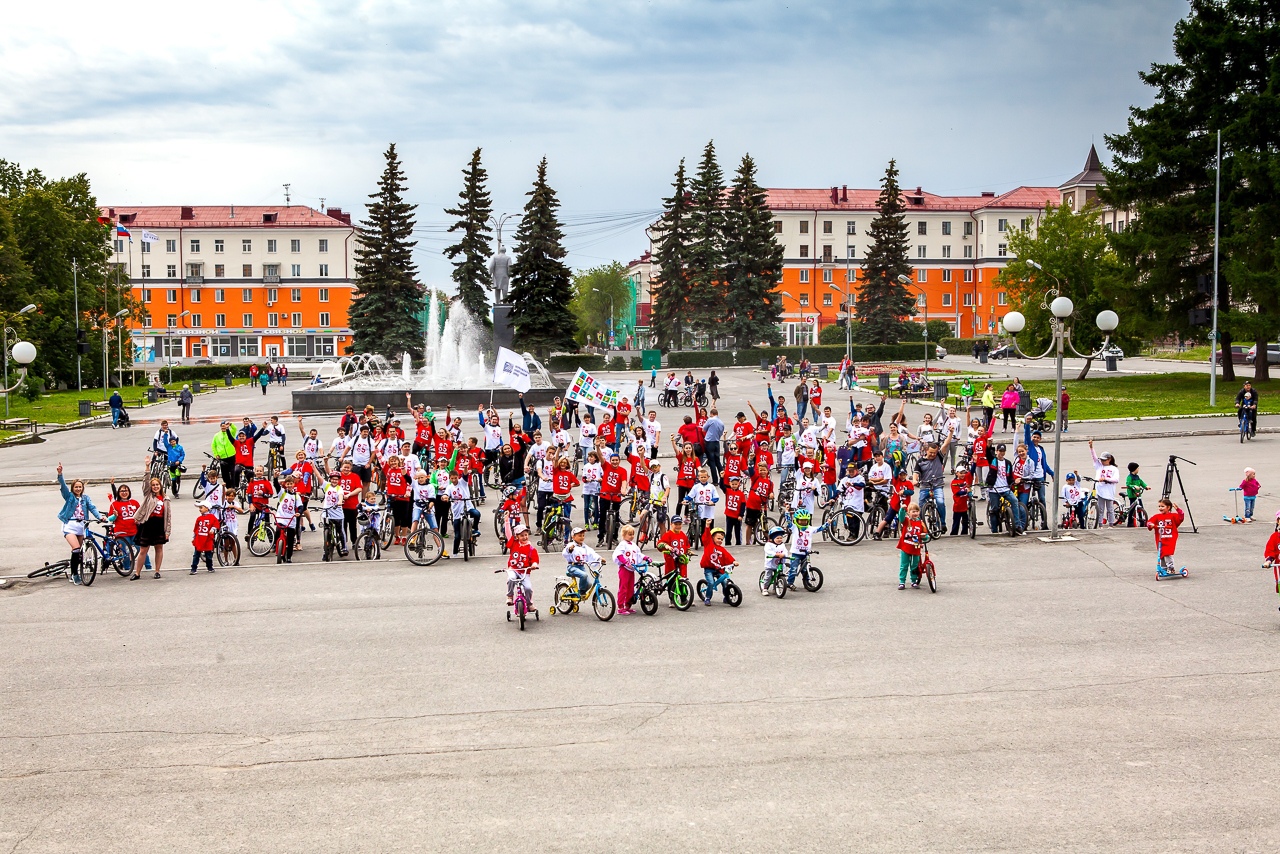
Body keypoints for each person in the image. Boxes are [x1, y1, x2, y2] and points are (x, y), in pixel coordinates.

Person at [55, 463, 102, 585]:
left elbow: (92, 508)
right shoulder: (69, 496)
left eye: (80, 487)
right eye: (76, 487)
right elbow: (63, 487)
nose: (78, 489)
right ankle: (74, 574)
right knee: (75, 549)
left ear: (82, 488)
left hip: (82, 526)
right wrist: (60, 474)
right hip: (70, 525)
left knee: (79, 551)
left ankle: (78, 570)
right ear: (73, 488)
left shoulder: (86, 498)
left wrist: (99, 517)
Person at [132, 476, 171, 579]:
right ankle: (137, 573)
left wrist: (167, 531)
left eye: (157, 485)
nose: (155, 487)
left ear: (161, 486)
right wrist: (147, 467)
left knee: (159, 548)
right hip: (148, 524)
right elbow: (145, 483)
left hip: (159, 525)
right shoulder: (148, 495)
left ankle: (157, 571)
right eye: (153, 485)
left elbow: (168, 517)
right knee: (143, 549)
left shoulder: (166, 499)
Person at [612, 524, 645, 615]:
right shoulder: (622, 544)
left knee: (630, 588)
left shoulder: (634, 545)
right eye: (629, 534)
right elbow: (619, 555)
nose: (632, 536)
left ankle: (628, 605)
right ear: (624, 535)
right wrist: (625, 562)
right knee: (623, 587)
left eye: (632, 534)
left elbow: (638, 554)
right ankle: (620, 606)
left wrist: (645, 558)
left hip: (632, 569)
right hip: (624, 569)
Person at [1147, 498, 1185, 574]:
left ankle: (1171, 568)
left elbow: (1181, 518)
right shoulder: (1157, 516)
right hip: (1160, 538)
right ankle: (1164, 568)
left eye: (1162, 506)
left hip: (1169, 538)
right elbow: (1150, 521)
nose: (1160, 508)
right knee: (1161, 553)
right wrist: (1150, 525)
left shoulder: (1173, 516)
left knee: (1167, 553)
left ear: (1168, 507)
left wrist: (1178, 510)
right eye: (1159, 506)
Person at [699, 526, 736, 605]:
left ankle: (726, 596)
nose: (720, 541)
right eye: (718, 538)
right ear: (712, 538)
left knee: (725, 581)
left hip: (719, 569)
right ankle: (707, 597)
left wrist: (734, 561)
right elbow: (706, 536)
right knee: (711, 583)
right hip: (709, 569)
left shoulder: (722, 549)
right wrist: (707, 526)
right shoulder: (708, 545)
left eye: (721, 539)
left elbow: (728, 556)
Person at [504, 524, 539, 606]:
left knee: (528, 588)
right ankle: (510, 596)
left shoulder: (531, 549)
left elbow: (535, 559)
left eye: (526, 535)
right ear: (517, 537)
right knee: (511, 579)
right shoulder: (514, 544)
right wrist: (506, 521)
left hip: (524, 572)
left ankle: (529, 604)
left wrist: (534, 565)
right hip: (513, 569)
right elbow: (508, 534)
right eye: (521, 535)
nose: (524, 537)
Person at [896, 502, 929, 590]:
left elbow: (926, 535)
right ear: (909, 512)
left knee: (914, 565)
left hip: (916, 547)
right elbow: (901, 517)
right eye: (913, 511)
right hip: (905, 547)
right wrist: (902, 509)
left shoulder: (921, 523)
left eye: (917, 511)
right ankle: (902, 581)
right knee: (904, 565)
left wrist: (924, 537)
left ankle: (913, 581)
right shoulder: (906, 521)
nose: (915, 513)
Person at [1089, 440, 1121, 526]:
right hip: (1100, 490)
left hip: (1109, 491)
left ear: (1109, 459)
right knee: (1100, 508)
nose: (1102, 462)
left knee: (1110, 509)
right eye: (1101, 460)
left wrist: (1105, 479)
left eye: (1104, 460)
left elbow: (1116, 479)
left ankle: (1111, 524)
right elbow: (1094, 458)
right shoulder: (1099, 466)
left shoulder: (1114, 469)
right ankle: (1100, 524)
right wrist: (1091, 448)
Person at [190, 501, 220, 574]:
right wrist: (194, 537)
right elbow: (196, 528)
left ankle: (210, 567)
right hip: (199, 538)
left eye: (201, 507)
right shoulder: (199, 518)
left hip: (208, 539)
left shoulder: (212, 517)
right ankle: (193, 568)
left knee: (208, 554)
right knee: (196, 554)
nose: (200, 509)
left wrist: (213, 529)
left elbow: (216, 524)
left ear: (207, 508)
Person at [1124, 462, 1149, 526]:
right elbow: (1128, 484)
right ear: (1134, 469)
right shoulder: (1129, 477)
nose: (1138, 469)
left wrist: (1145, 486)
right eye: (1138, 468)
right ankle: (1130, 522)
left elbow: (1141, 482)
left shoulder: (1137, 477)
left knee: (1140, 507)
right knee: (1132, 509)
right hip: (1132, 494)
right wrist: (1134, 486)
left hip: (1138, 494)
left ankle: (1142, 521)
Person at [949, 468, 971, 536]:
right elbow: (957, 492)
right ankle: (954, 534)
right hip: (958, 506)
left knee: (965, 521)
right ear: (956, 473)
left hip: (965, 505)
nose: (963, 475)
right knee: (956, 522)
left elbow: (971, 473)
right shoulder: (954, 482)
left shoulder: (965, 480)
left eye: (964, 473)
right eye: (961, 473)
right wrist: (965, 491)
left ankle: (964, 533)